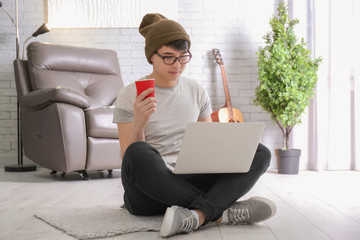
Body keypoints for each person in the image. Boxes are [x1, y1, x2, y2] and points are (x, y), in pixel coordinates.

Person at [113, 13, 276, 238]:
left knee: (260, 152)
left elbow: (209, 145)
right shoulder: (129, 95)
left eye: (183, 57)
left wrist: (231, 145)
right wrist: (140, 123)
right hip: (150, 190)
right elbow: (127, 159)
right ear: (152, 56)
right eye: (169, 57)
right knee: (137, 152)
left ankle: (196, 215)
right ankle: (220, 212)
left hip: (189, 176)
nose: (177, 65)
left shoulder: (196, 90)